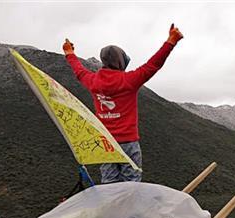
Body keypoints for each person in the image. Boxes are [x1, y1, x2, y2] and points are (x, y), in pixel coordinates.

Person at [63, 24, 183, 184]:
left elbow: (79, 71)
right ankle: (130, 209)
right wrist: (171, 41)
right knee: (131, 185)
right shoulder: (129, 81)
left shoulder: (93, 81)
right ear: (120, 61)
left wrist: (69, 53)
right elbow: (153, 65)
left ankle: (112, 208)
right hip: (128, 143)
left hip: (106, 143)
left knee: (109, 184)